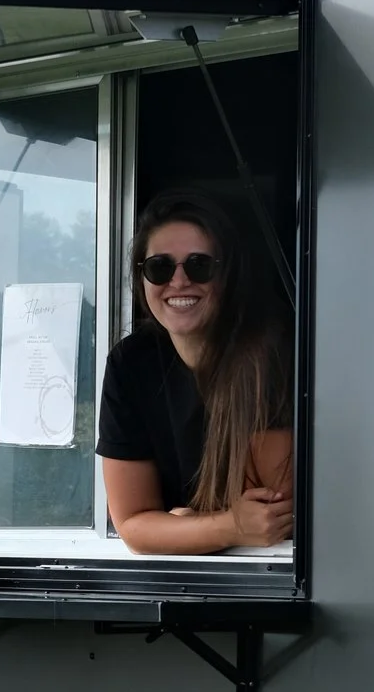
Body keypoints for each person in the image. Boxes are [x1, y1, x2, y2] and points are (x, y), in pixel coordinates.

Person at [96, 189, 293, 554]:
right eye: (160, 267)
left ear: (228, 276)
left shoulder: (271, 354)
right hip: (186, 584)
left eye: (200, 265)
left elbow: (272, 518)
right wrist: (227, 526)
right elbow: (134, 526)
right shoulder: (131, 363)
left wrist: (184, 526)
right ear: (142, 281)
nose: (179, 281)